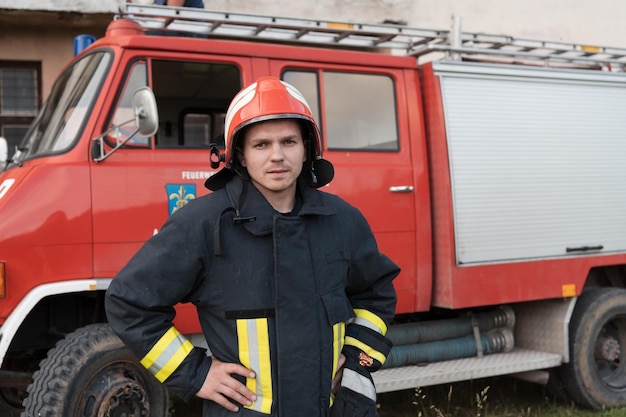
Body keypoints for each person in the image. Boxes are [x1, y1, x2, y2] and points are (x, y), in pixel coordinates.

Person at [105, 76, 399, 417]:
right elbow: (129, 302)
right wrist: (195, 373)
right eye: (261, 144)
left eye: (289, 141)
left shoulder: (342, 220)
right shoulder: (201, 224)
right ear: (240, 156)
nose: (277, 156)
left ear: (307, 149)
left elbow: (376, 293)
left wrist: (356, 357)